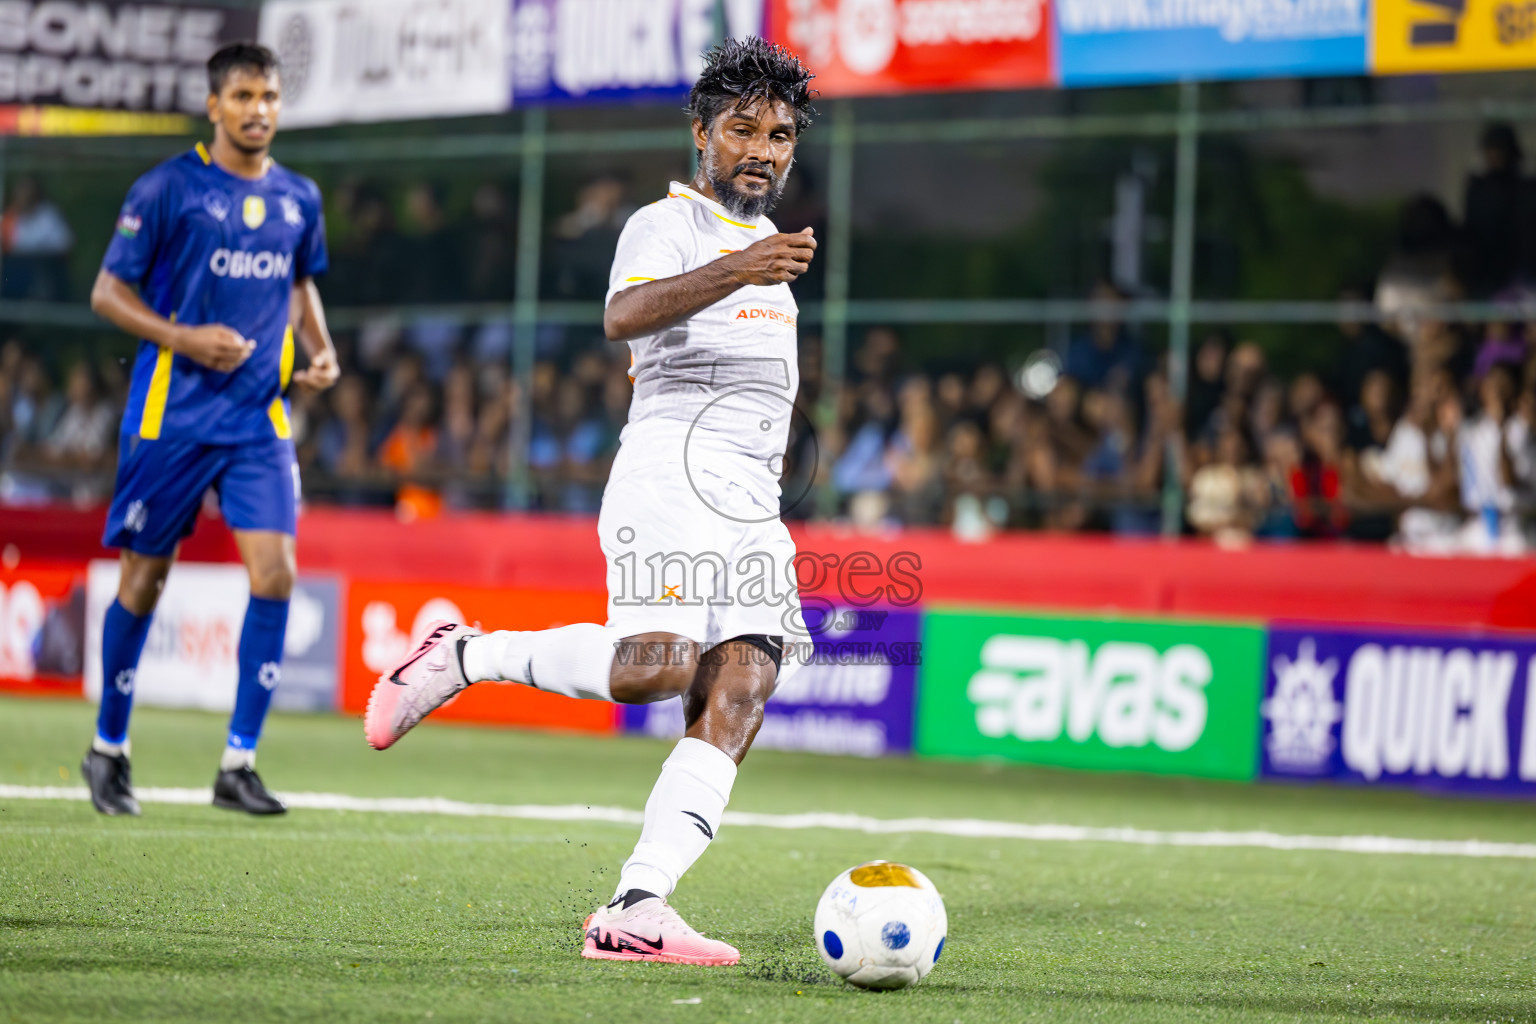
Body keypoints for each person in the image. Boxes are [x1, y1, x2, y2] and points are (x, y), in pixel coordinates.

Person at [364, 37, 817, 966]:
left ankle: (639, 906)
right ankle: (467, 655)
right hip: (668, 477)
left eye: (779, 135)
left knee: (741, 692)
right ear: (701, 135)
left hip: (751, 505)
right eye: (743, 130)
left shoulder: (767, 254)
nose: (763, 150)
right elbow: (622, 316)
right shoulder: (671, 225)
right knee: (654, 669)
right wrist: (743, 267)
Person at [80, 43, 337, 817]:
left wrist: (320, 349)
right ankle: (109, 748)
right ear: (214, 105)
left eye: (270, 96)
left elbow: (299, 284)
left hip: (258, 420)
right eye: (244, 96)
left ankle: (238, 764)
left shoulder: (299, 197)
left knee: (277, 574)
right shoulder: (167, 189)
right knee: (143, 581)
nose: (259, 109)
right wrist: (185, 338)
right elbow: (106, 293)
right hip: (172, 416)